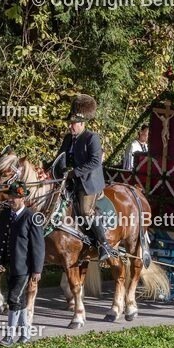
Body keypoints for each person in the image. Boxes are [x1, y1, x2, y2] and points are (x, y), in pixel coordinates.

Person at [0, 182, 44, 346]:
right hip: (6, 266)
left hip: (24, 267)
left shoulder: (31, 217)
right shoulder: (4, 215)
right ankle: (25, 335)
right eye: (9, 196)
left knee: (13, 299)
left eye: (14, 197)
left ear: (23, 198)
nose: (11, 199)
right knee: (20, 301)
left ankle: (9, 337)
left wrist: (37, 270)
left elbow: (38, 246)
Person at [59, 94, 111, 259]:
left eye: (73, 123)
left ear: (82, 123)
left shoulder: (92, 138)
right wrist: (48, 170)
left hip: (89, 183)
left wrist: (74, 173)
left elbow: (95, 161)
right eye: (69, 123)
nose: (70, 126)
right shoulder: (68, 139)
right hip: (70, 181)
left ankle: (104, 244)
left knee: (86, 212)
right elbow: (60, 158)